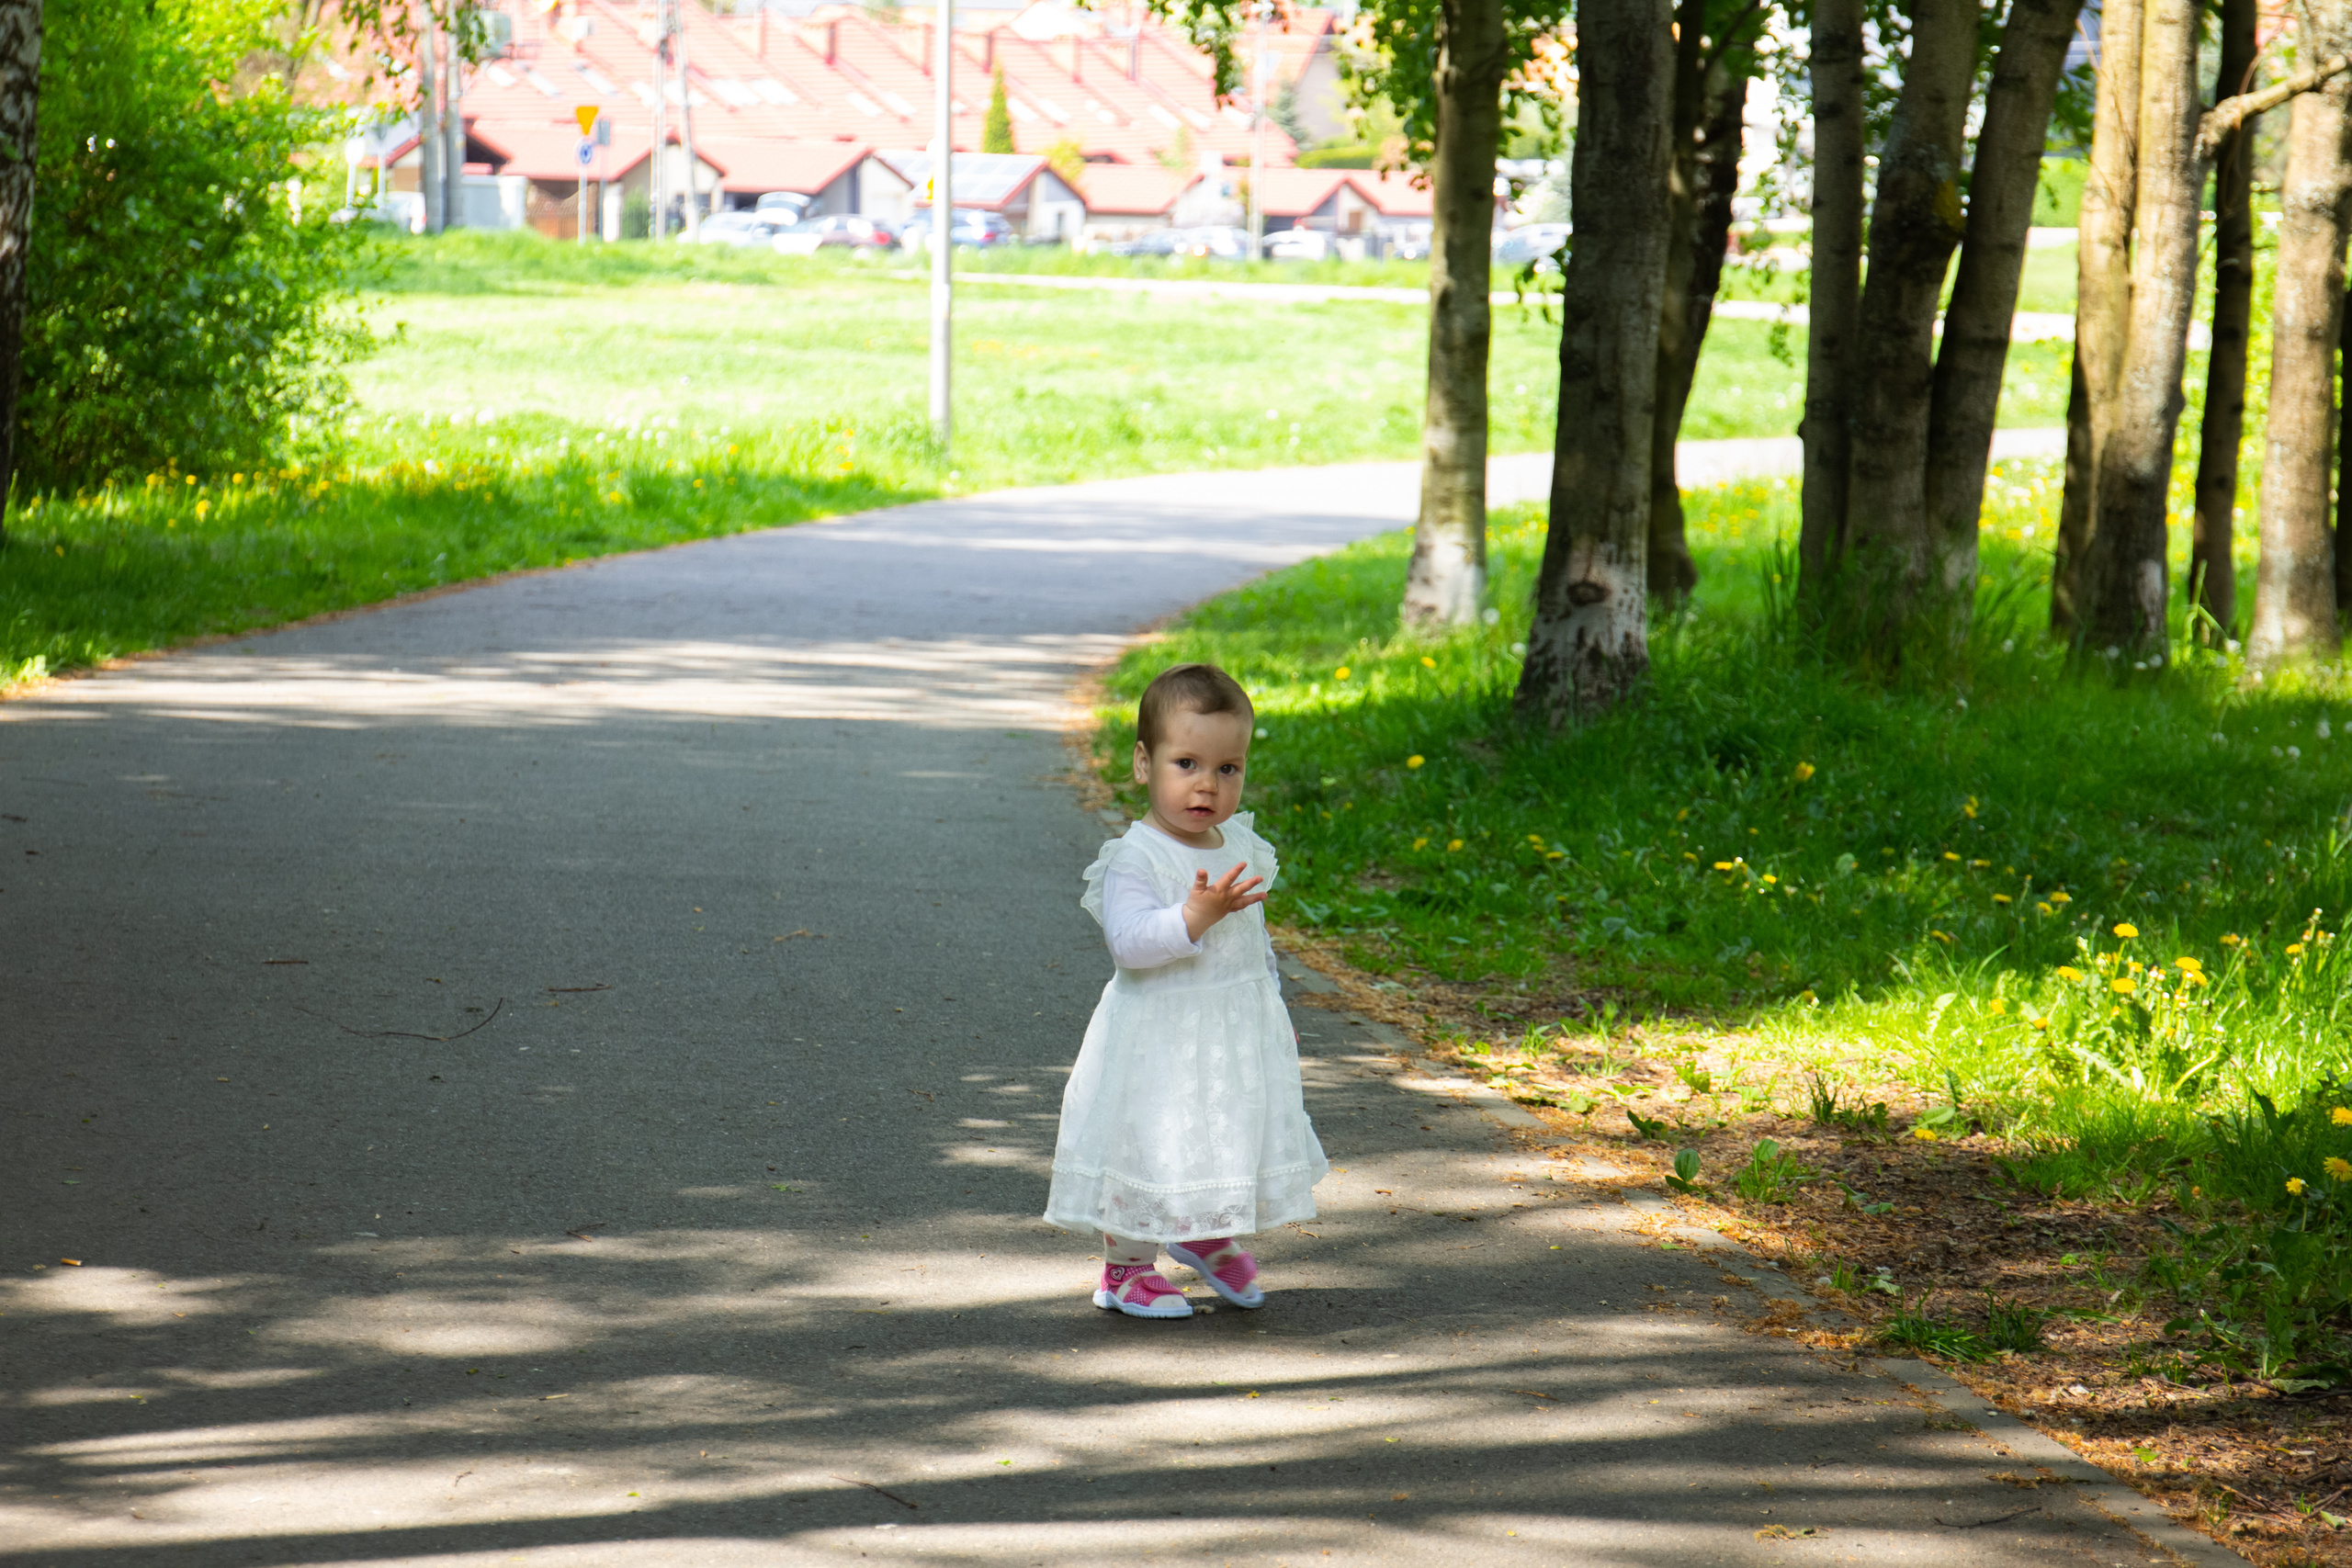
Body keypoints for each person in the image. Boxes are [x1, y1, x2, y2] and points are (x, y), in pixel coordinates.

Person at [1045, 662, 1329, 1318]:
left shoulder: (1241, 844)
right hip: (1158, 1035)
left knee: (1219, 1126)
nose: (1208, 783)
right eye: (1187, 763)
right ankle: (1126, 1267)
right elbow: (1130, 942)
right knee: (1147, 1137)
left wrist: (1273, 1004)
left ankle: (1201, 1227)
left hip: (1231, 1025)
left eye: (1228, 768)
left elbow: (1253, 936)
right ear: (1144, 763)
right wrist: (1194, 916)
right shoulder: (1136, 857)